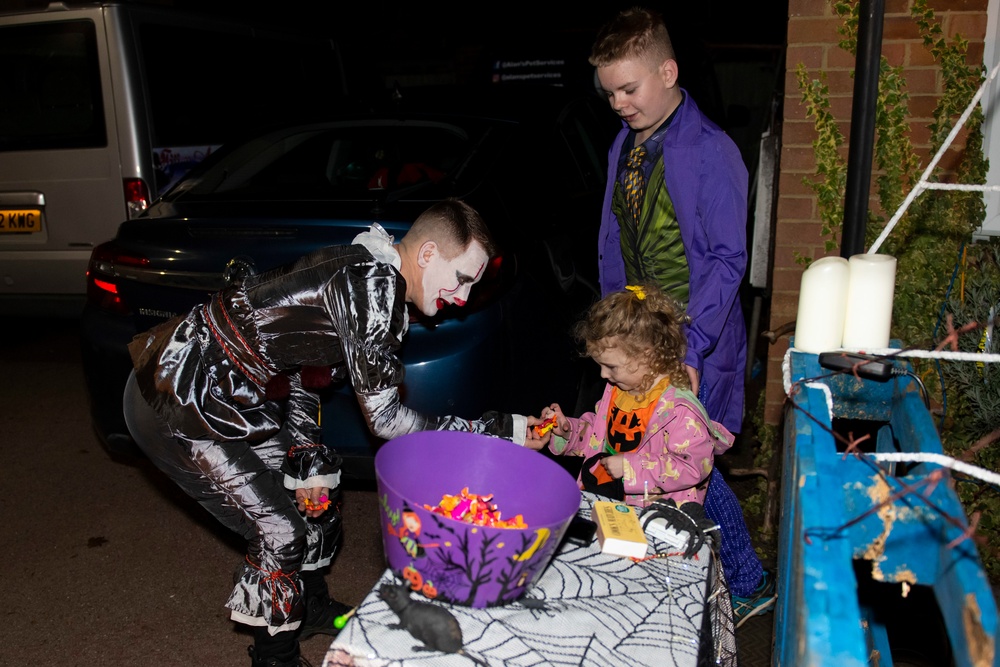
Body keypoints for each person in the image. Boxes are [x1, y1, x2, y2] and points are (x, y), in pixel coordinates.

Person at [122, 199, 529, 667]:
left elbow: (297, 366)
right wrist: (494, 431)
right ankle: (275, 659)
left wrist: (305, 452)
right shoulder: (373, 284)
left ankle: (310, 606)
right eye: (462, 279)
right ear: (428, 254)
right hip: (175, 398)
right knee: (279, 531)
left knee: (315, 484)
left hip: (228, 395)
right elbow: (387, 421)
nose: (463, 297)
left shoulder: (370, 270)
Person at [588, 6, 775, 624]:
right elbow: (615, 241)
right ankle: (664, 569)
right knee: (646, 455)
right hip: (638, 341)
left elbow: (728, 260)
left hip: (692, 340)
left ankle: (749, 579)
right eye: (609, 91)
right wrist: (611, 331)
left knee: (688, 459)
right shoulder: (626, 144)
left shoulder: (712, 151)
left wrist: (687, 349)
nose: (618, 102)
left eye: (629, 88)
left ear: (667, 71)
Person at [527, 285, 734, 511]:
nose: (603, 375)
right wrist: (568, 431)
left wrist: (629, 468)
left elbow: (693, 467)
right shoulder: (617, 391)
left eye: (611, 367)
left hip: (654, 518)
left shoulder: (680, 411)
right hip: (609, 504)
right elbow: (597, 437)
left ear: (647, 356)